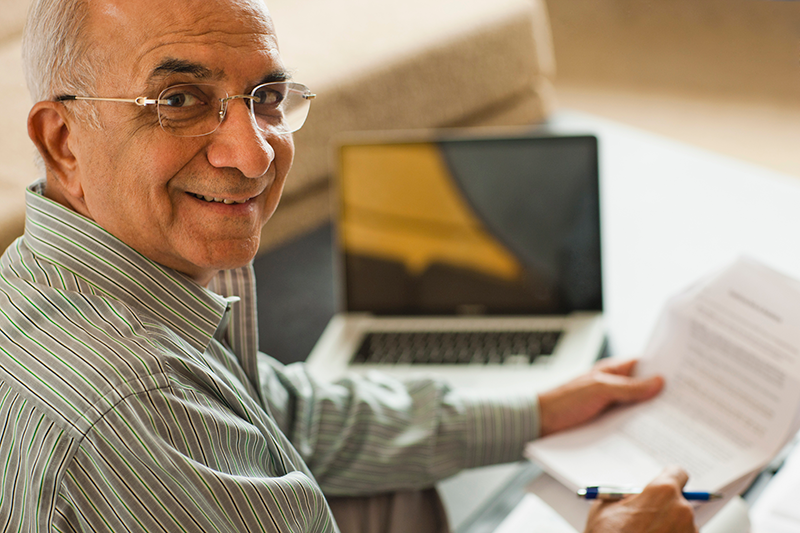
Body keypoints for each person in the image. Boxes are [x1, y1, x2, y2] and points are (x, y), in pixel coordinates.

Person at [0, 0, 698, 531]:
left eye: (265, 98)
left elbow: (288, 419)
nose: (253, 154)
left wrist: (536, 410)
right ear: (62, 141)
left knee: (395, 489)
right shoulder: (135, 402)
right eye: (180, 101)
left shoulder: (51, 277)